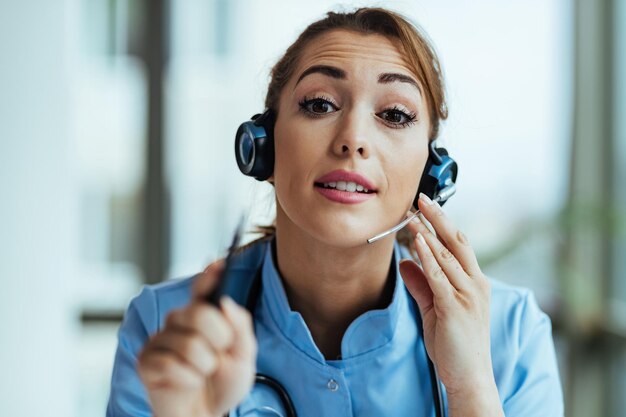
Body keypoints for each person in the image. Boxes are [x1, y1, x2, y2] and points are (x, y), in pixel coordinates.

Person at [106, 7, 563, 417]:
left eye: (395, 115)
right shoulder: (165, 328)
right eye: (320, 104)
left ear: (432, 173)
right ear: (261, 148)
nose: (353, 138)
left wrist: (472, 390)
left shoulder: (511, 333)